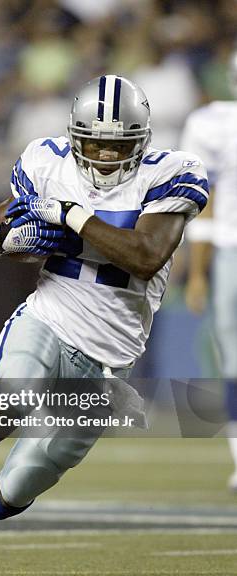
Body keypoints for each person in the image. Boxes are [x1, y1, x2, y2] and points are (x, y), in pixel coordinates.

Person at [0, 74, 208, 576]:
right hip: (49, 315)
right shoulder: (46, 161)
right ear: (74, 135)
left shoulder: (171, 173)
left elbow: (145, 256)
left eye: (117, 146)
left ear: (141, 143)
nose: (104, 155)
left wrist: (72, 216)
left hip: (113, 355)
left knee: (29, 475)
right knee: (9, 404)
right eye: (92, 142)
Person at [183, 50, 237, 490]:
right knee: (233, 355)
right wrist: (198, 272)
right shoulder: (212, 123)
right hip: (231, 248)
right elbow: (207, 196)